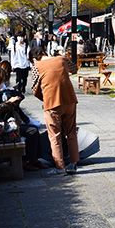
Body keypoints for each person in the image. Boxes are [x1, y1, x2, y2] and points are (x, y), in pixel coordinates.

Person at [0, 67, 45, 171]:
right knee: (32, 131)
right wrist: (10, 102)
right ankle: (26, 161)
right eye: (1, 81)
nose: (2, 83)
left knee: (31, 128)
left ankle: (33, 159)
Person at [34, 45, 79, 175]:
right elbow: (75, 69)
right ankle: (73, 163)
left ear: (34, 58)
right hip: (69, 99)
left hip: (52, 103)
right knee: (71, 133)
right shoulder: (62, 59)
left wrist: (45, 98)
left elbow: (34, 88)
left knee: (54, 136)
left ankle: (60, 167)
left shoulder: (37, 66)